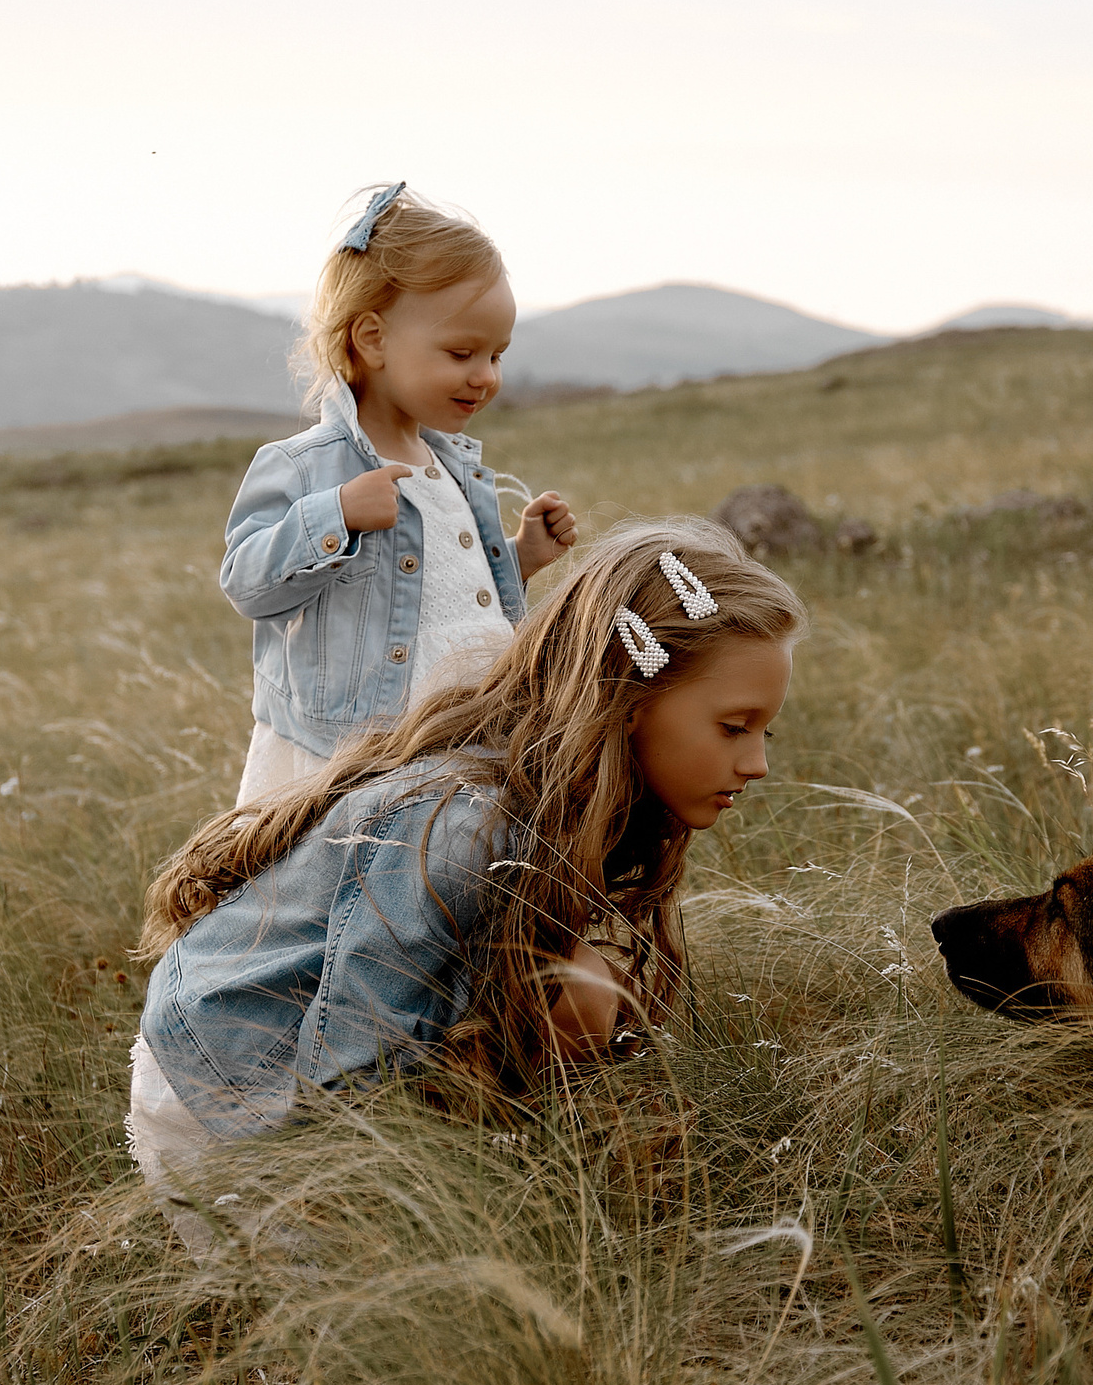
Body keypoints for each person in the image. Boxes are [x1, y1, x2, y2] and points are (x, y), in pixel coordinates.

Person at [127, 519, 801, 1252]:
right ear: (626, 698)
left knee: (586, 986)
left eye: (766, 730)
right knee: (582, 992)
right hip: (227, 1086)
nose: (758, 762)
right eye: (734, 727)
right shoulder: (463, 827)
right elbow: (348, 1069)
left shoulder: (574, 801)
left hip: (317, 1061)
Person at [219, 182, 580, 807]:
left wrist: (519, 558)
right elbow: (246, 583)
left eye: (497, 355)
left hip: (467, 735)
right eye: (461, 351)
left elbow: (442, 594)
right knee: (332, 894)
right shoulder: (306, 466)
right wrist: (335, 515)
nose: (486, 376)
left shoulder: (453, 466)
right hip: (357, 756)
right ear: (373, 339)